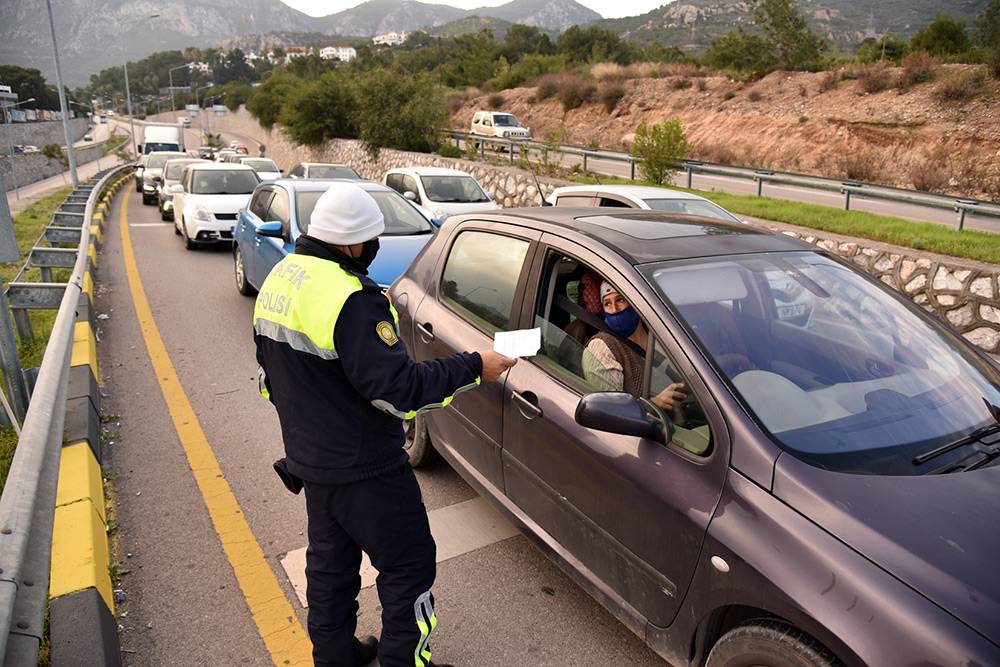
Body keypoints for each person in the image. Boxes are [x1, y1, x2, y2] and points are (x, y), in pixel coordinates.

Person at [253, 182, 517, 667]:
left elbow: (270, 382)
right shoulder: (354, 300)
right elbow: (400, 392)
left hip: (312, 464)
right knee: (408, 567)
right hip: (367, 469)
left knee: (331, 567)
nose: (373, 250)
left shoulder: (281, 278)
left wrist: (311, 429)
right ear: (353, 243)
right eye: (370, 240)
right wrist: (477, 365)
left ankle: (336, 657)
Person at [583, 280, 686, 411]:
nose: (614, 310)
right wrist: (654, 403)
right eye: (607, 304)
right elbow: (612, 411)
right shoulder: (601, 348)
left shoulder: (662, 332)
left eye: (620, 300)